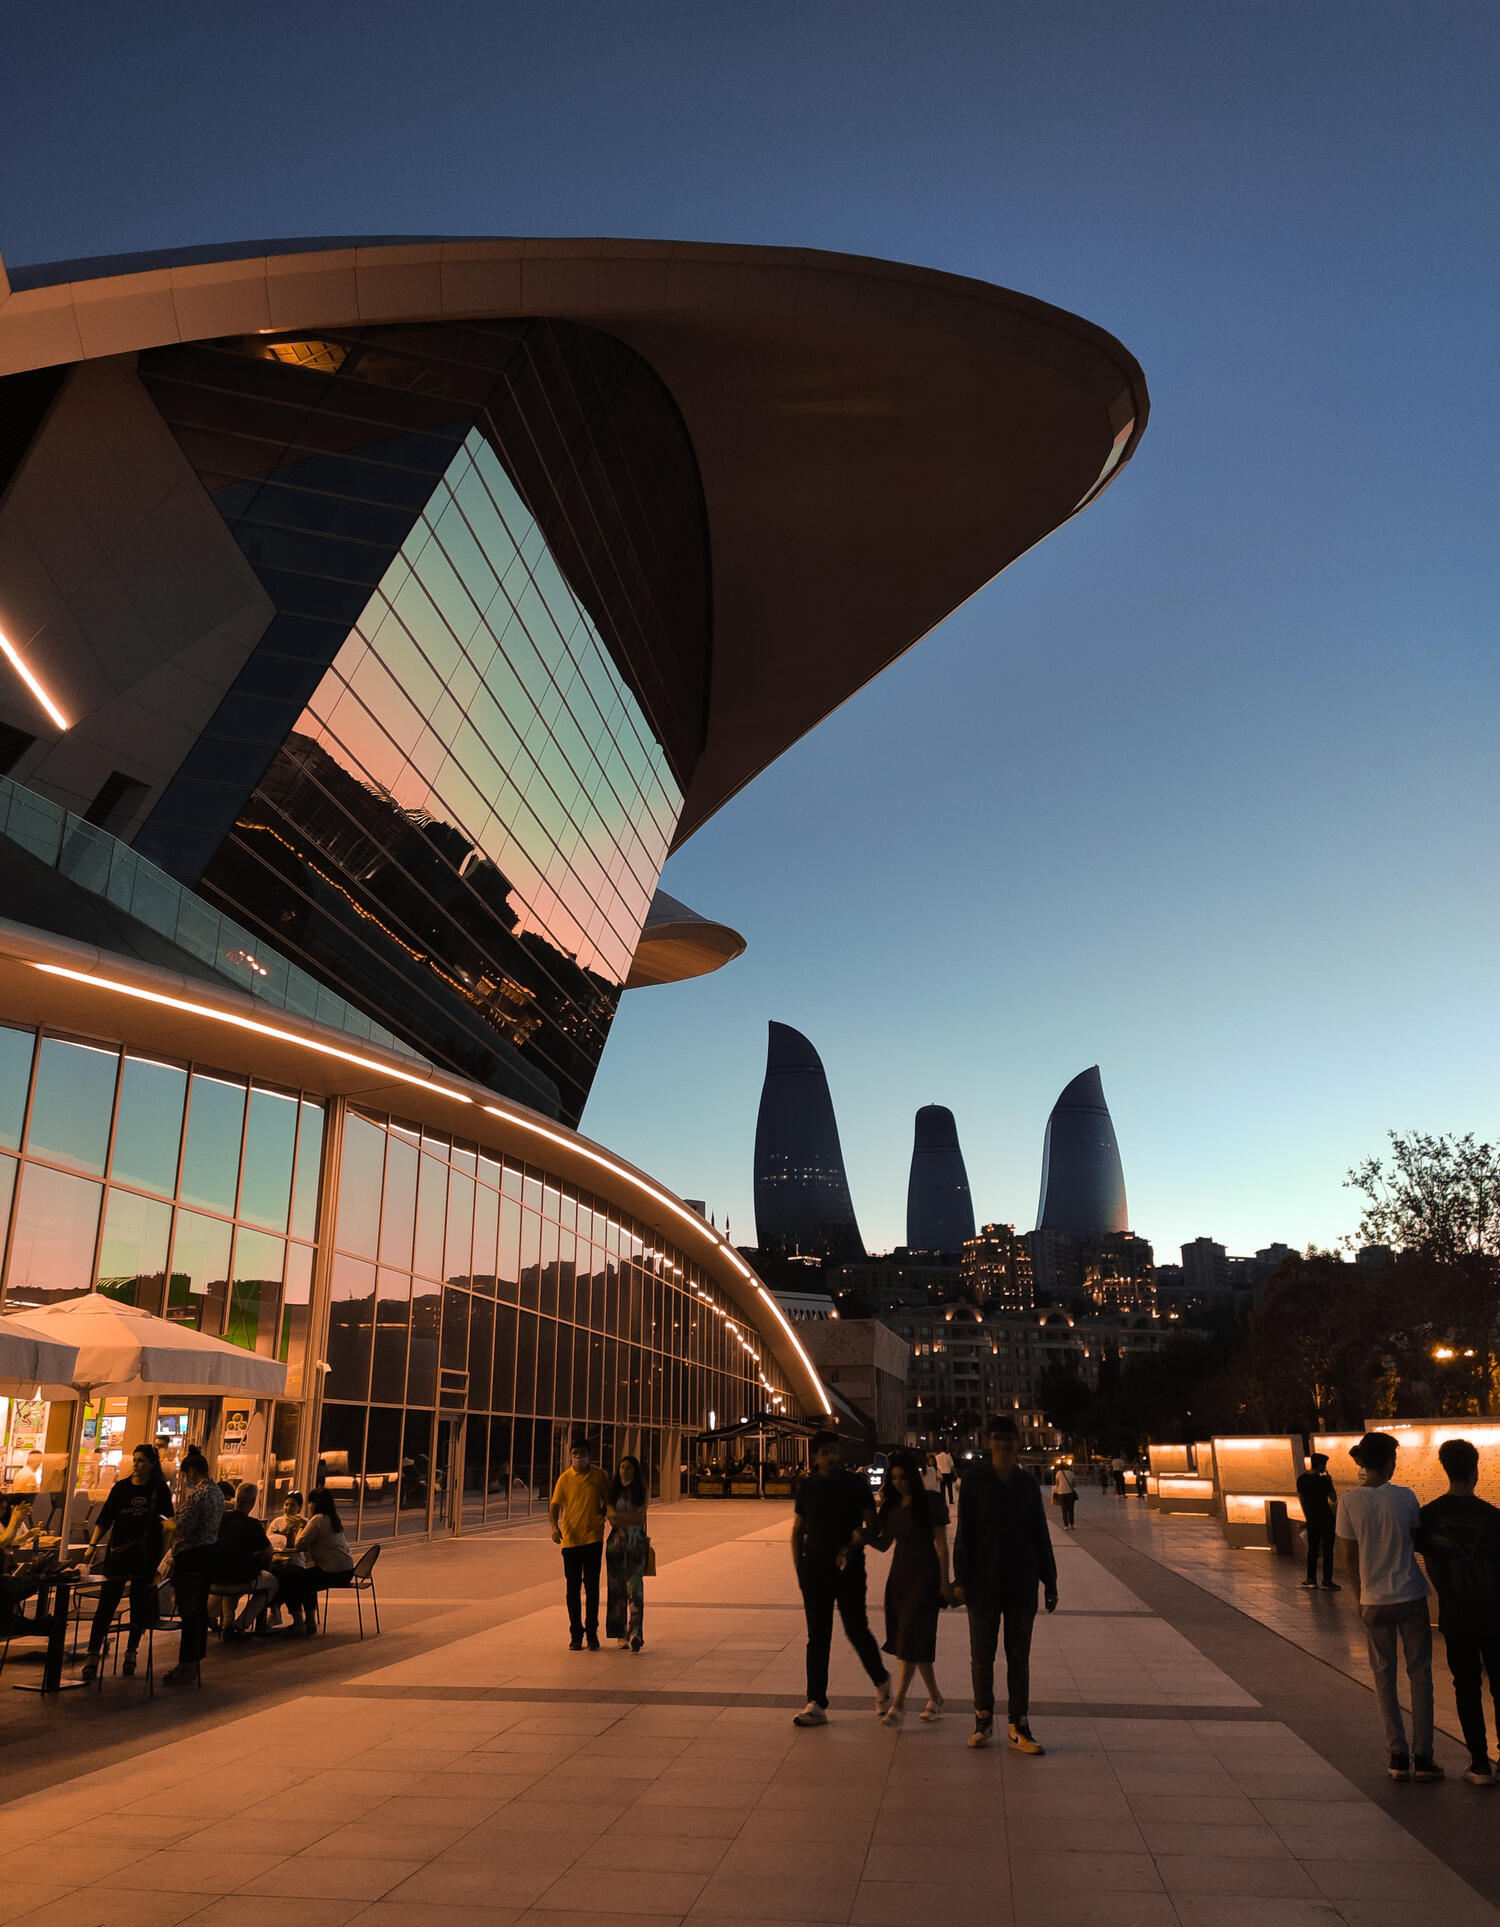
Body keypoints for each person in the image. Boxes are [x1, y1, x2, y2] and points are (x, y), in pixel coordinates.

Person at [1336, 1430, 1441, 1781]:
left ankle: (1396, 1754)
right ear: (1389, 1463)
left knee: (1384, 1677)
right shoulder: (1406, 1497)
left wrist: (1359, 1595)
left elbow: (1349, 1556)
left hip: (1374, 1599)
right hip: (1410, 1594)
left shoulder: (1349, 1501)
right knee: (1420, 1675)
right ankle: (1423, 1756)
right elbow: (1412, 1540)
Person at [953, 1415, 1058, 1753]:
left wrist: (1050, 1579)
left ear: (1016, 1442)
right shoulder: (974, 1481)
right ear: (989, 1442)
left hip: (1021, 1582)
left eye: (1009, 1437)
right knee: (981, 1656)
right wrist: (961, 1580)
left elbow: (1040, 1533)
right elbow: (963, 1534)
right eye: (997, 1437)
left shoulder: (1027, 1484)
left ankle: (1019, 1724)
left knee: (1018, 1656)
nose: (1003, 1443)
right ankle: (983, 1717)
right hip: (983, 1583)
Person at [790, 1430, 892, 1727]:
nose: (832, 1457)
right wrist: (801, 1572)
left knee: (856, 1629)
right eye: (825, 1452)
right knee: (817, 1637)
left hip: (849, 1569)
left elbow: (872, 1526)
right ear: (815, 1456)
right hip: (815, 1572)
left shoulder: (855, 1484)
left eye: (835, 1451)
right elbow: (798, 1530)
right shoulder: (807, 1486)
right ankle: (816, 1703)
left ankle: (881, 1681)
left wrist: (856, 1542)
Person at [1415, 1438, 1500, 1786]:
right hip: (1495, 1615)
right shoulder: (1493, 1517)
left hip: (1456, 1615)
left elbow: (1431, 1564)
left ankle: (1479, 1763)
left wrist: (1448, 1593)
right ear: (1475, 1470)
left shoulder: (1429, 1515)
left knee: (1466, 1687)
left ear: (1445, 1469)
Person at [867, 1449, 951, 1724]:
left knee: (909, 1637)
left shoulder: (930, 1502)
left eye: (903, 1476)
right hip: (900, 1576)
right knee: (915, 1640)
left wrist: (944, 1582)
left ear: (913, 1476)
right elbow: (883, 1544)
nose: (899, 1482)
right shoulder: (891, 1507)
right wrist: (860, 1535)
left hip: (925, 1575)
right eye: (894, 1477)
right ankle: (936, 1698)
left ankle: (899, 1704)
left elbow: (941, 1546)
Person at [79, 1443, 173, 1682]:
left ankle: (131, 1651)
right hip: (118, 1554)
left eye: (141, 1460)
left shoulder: (159, 1490)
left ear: (153, 1464)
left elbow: (167, 1524)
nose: (136, 1464)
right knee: (106, 1604)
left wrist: (162, 1558)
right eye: (135, 1459)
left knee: (138, 1605)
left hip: (146, 1556)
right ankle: (93, 1653)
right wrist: (92, 1544)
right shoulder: (121, 1488)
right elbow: (105, 1519)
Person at [160, 1446, 223, 1685]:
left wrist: (168, 1524)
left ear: (192, 1471)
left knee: (188, 1611)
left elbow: (183, 1527)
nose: (186, 1480)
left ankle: (186, 1664)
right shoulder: (217, 1492)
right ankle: (194, 1661)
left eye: (186, 1475)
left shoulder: (198, 1495)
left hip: (191, 1556)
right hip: (208, 1555)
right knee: (199, 1609)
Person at [550, 1439, 610, 1650]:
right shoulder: (565, 1478)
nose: (578, 1457)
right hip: (571, 1540)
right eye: (575, 1453)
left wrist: (601, 1517)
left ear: (589, 1454)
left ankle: (592, 1632)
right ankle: (576, 1634)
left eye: (582, 1453)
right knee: (572, 1588)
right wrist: (555, 1528)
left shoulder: (600, 1476)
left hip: (593, 1538)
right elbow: (555, 1505)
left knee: (592, 1587)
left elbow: (608, 1500)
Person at [212, 1483, 277, 1637]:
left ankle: (228, 1622)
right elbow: (269, 1552)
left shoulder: (220, 1520)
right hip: (241, 1579)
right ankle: (241, 1623)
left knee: (231, 1571)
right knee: (272, 1583)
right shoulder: (253, 1525)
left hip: (215, 1579)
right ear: (253, 1502)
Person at [292, 1488, 355, 1630]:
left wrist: (302, 1526)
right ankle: (309, 1620)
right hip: (347, 1571)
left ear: (315, 1503)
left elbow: (300, 1544)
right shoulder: (333, 1519)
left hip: (332, 1572)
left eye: (310, 1502)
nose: (309, 1506)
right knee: (307, 1577)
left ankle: (305, 1621)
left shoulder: (318, 1519)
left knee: (295, 1579)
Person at [605, 1454, 650, 1653]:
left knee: (636, 1590)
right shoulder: (612, 1491)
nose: (625, 1471)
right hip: (615, 1546)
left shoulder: (641, 1491)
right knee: (616, 1589)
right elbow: (612, 1518)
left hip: (636, 1545)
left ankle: (635, 1633)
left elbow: (640, 1516)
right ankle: (619, 1633)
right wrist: (628, 1517)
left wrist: (624, 1517)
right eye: (622, 1467)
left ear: (635, 1470)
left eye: (629, 1468)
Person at [1297, 1451, 1340, 1590]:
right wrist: (1330, 1482)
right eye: (1325, 1464)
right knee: (1328, 1550)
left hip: (1312, 1519)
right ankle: (1327, 1580)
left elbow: (1302, 1500)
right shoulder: (1324, 1480)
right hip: (1326, 1518)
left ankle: (1311, 1579)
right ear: (1321, 1465)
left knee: (1312, 1549)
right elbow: (1333, 1498)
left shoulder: (1301, 1479)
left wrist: (1307, 1516)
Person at [1052, 1462, 1078, 1531]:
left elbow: (1057, 1484)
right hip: (1070, 1493)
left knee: (1064, 1509)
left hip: (1061, 1493)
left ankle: (1065, 1525)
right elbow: (1074, 1484)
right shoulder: (1071, 1473)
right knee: (1071, 1509)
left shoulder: (1058, 1473)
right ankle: (1072, 1524)